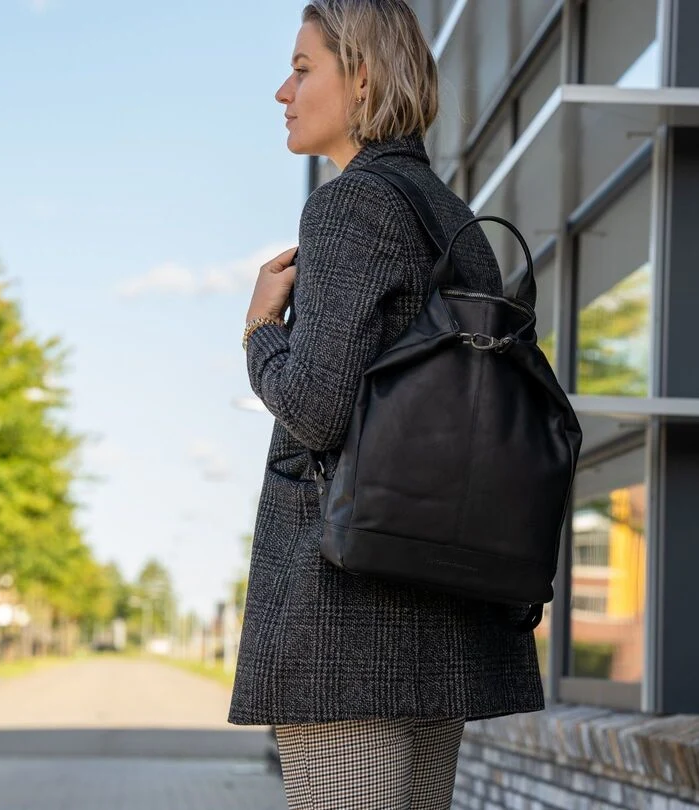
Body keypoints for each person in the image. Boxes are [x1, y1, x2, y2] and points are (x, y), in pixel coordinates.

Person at [229, 1, 543, 807]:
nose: (283, 92)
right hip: (442, 606)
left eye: (303, 69)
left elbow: (315, 410)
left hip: (347, 615)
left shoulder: (350, 204)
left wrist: (260, 331)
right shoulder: (450, 217)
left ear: (362, 75)